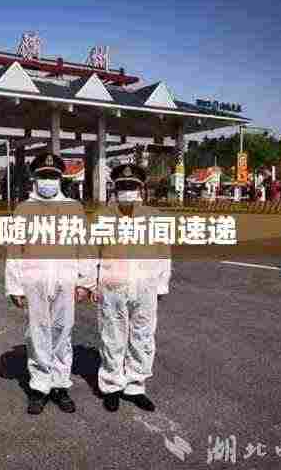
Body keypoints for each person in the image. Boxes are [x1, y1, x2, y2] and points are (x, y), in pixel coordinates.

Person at [5, 152, 96, 415]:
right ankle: (40, 387)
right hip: (33, 281)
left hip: (66, 280)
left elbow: (85, 247)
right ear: (35, 179)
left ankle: (60, 385)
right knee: (37, 334)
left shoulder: (74, 208)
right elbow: (14, 249)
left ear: (60, 179)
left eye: (52, 176)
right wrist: (15, 287)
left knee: (63, 333)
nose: (48, 181)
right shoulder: (23, 209)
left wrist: (85, 282)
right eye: (43, 176)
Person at [91, 163, 172, 412]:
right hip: (111, 288)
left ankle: (135, 385)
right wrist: (91, 284)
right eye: (123, 186)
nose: (127, 191)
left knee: (143, 337)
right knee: (112, 337)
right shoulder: (102, 217)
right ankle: (112, 385)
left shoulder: (155, 217)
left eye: (132, 186)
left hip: (145, 287)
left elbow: (163, 253)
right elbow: (91, 255)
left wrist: (161, 286)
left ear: (141, 189)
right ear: (115, 189)